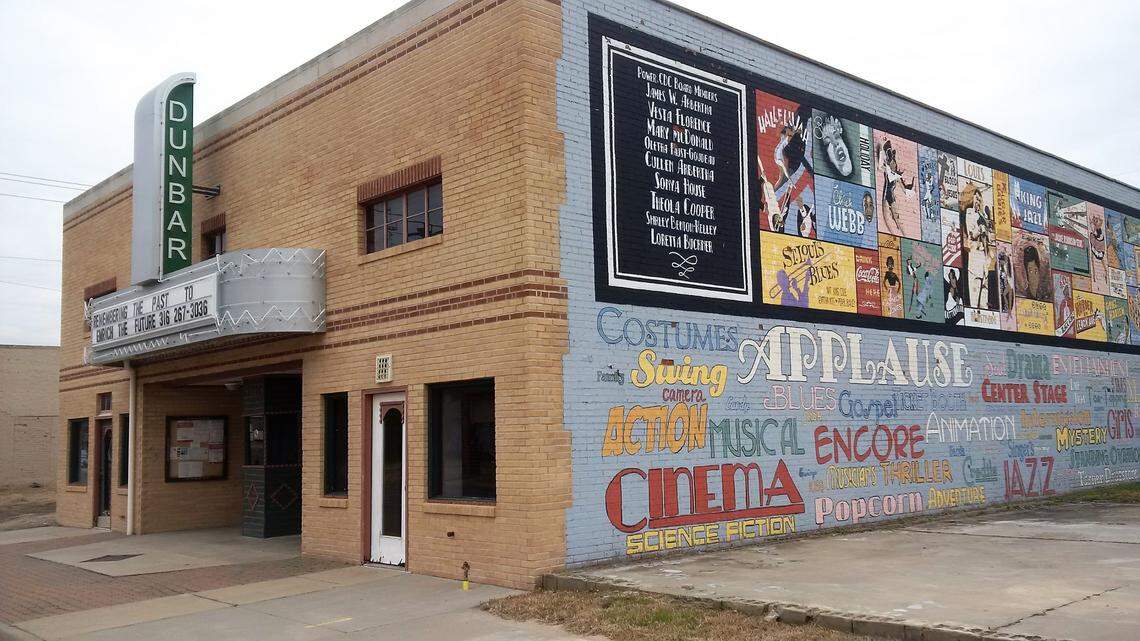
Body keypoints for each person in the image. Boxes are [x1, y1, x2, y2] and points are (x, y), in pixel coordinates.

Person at [878, 139, 915, 235]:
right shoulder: (888, 171)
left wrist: (910, 188)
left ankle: (902, 233)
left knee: (896, 216)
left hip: (891, 196)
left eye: (894, 163)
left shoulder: (897, 177)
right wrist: (881, 152)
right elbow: (880, 167)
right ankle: (892, 231)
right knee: (885, 214)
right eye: (892, 163)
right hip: (886, 194)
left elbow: (904, 190)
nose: (893, 164)